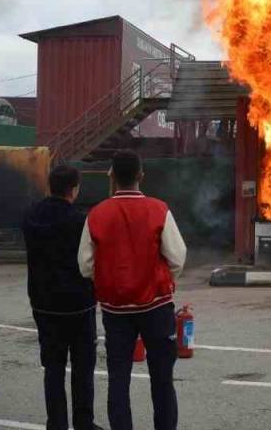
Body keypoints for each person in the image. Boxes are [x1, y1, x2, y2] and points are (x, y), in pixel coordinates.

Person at [80, 150, 187, 430]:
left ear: (111, 175)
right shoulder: (158, 209)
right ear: (141, 175)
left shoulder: (97, 214)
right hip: (156, 306)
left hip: (115, 311)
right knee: (162, 379)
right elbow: (177, 257)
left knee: (118, 379)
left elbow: (85, 265)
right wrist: (160, 279)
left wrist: (109, 281)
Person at [24, 165, 100, 430]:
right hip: (78, 304)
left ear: (50, 186)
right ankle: (83, 423)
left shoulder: (31, 216)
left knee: (53, 368)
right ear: (75, 189)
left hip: (44, 303)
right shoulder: (80, 221)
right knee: (82, 368)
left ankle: (55, 423)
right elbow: (91, 262)